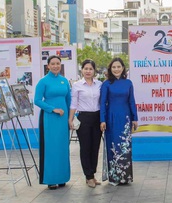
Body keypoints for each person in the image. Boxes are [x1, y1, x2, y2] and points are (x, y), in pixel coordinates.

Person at [34, 56, 71, 190]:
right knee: (51, 147)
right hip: (49, 119)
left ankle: (62, 178)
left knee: (62, 147)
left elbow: (69, 100)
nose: (55, 66)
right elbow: (37, 100)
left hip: (63, 119)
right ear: (48, 66)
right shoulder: (43, 82)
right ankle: (51, 179)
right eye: (53, 64)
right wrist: (52, 109)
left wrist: (71, 118)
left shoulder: (64, 81)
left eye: (58, 64)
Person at [100, 58, 138, 185]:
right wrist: (102, 120)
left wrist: (135, 118)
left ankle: (125, 176)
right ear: (110, 69)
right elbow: (102, 103)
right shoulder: (106, 84)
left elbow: (132, 101)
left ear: (123, 68)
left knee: (125, 147)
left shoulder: (128, 83)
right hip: (111, 118)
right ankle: (114, 177)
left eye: (118, 67)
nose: (116, 69)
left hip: (125, 119)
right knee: (113, 146)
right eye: (114, 67)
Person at [69, 59, 103, 188]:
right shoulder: (77, 85)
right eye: (85, 68)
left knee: (95, 147)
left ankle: (93, 174)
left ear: (94, 71)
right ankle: (88, 176)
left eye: (90, 69)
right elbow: (73, 103)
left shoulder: (100, 84)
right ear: (82, 70)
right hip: (84, 117)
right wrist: (70, 119)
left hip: (97, 117)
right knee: (85, 147)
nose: (88, 71)